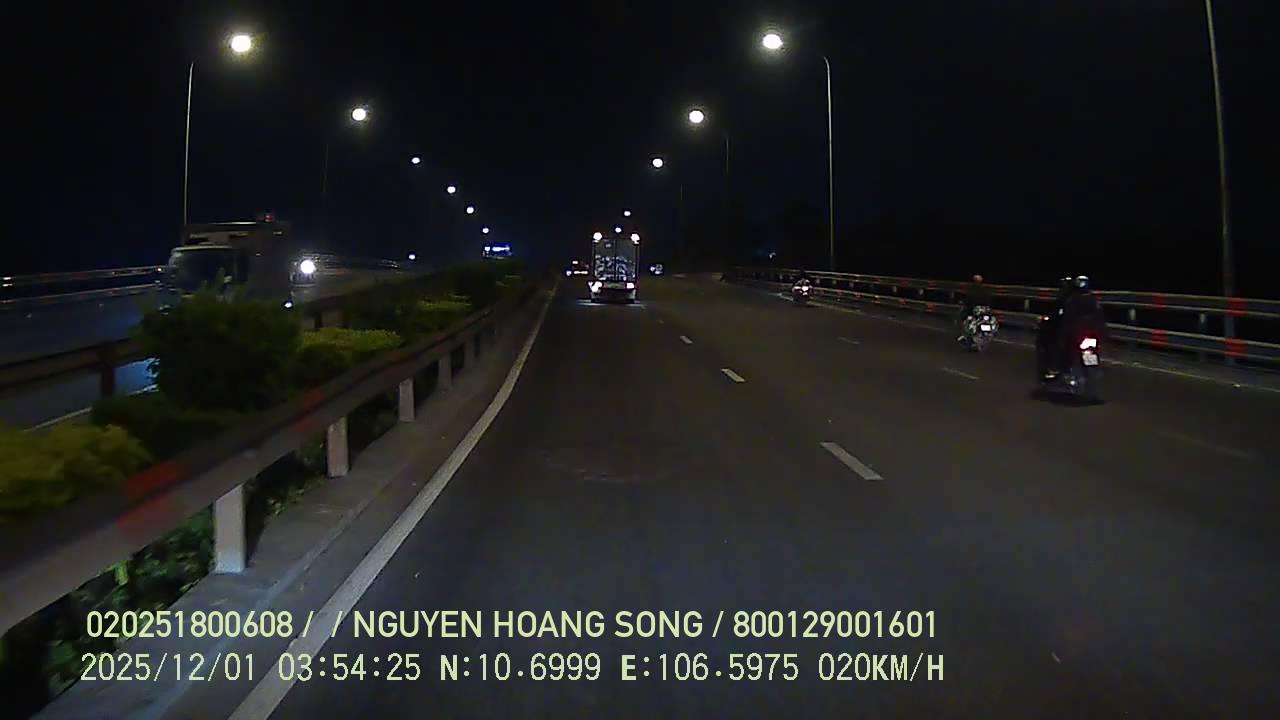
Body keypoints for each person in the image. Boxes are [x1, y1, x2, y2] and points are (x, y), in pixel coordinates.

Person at [957, 274, 993, 340]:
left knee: (962, 316)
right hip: (983, 309)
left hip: (974, 308)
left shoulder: (971, 289)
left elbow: (967, 299)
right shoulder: (985, 289)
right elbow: (989, 299)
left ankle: (964, 334)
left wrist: (963, 302)